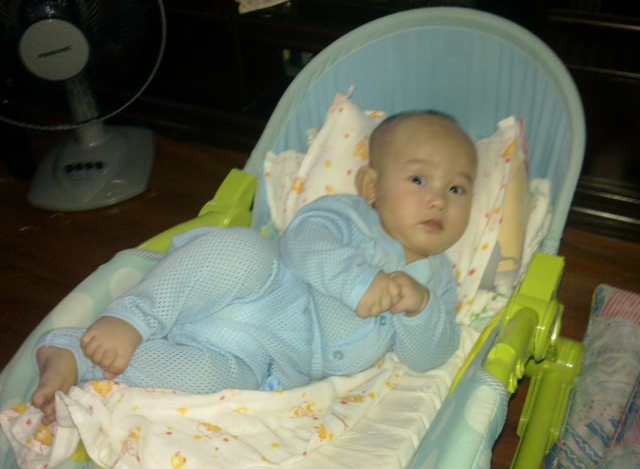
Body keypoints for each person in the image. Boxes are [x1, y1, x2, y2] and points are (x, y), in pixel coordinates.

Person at [32, 111, 478, 424]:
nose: (438, 199)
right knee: (245, 250)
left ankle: (73, 356)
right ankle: (132, 317)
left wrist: (419, 307)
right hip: (258, 287)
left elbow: (431, 356)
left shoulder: (437, 280)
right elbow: (304, 243)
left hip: (261, 362)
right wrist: (358, 281)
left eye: (457, 189)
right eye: (418, 179)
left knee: (212, 383)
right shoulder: (348, 215)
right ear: (371, 186)